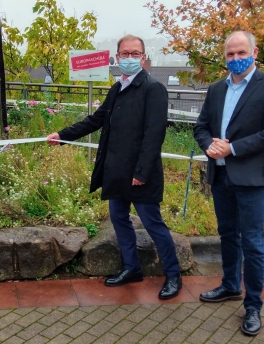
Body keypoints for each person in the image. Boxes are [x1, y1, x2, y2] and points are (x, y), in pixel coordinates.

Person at [47, 34, 181, 300]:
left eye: (135, 53)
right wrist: (62, 135)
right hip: (117, 172)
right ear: (117, 57)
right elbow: (95, 120)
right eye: (124, 54)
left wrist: (141, 173)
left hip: (140, 175)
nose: (129, 58)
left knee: (154, 224)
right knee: (119, 220)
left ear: (143, 57)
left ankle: (174, 274)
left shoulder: (153, 89)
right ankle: (132, 268)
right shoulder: (117, 88)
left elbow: (154, 135)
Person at [194, 30, 264, 336]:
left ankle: (253, 306)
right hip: (220, 175)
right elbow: (201, 127)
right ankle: (230, 285)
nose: (235, 59)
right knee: (227, 235)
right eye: (230, 54)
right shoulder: (216, 89)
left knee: (252, 242)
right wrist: (209, 144)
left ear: (254, 52)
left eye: (241, 53)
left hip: (251, 178)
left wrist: (232, 148)